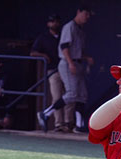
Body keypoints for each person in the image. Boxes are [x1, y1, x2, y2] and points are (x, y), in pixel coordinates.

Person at [37, 4, 93, 134]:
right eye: (86, 14)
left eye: (89, 15)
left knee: (82, 95)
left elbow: (77, 50)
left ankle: (79, 125)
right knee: (72, 93)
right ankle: (45, 114)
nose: (87, 17)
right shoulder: (70, 26)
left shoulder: (81, 30)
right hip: (67, 63)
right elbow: (64, 47)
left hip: (77, 62)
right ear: (79, 12)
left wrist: (86, 58)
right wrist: (70, 63)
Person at [31, 14, 68, 133]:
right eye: (52, 22)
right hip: (53, 70)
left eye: (57, 21)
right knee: (57, 96)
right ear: (48, 24)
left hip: (66, 70)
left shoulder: (63, 36)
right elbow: (33, 53)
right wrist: (44, 55)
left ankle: (68, 123)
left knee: (69, 96)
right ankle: (58, 124)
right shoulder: (43, 37)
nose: (55, 24)